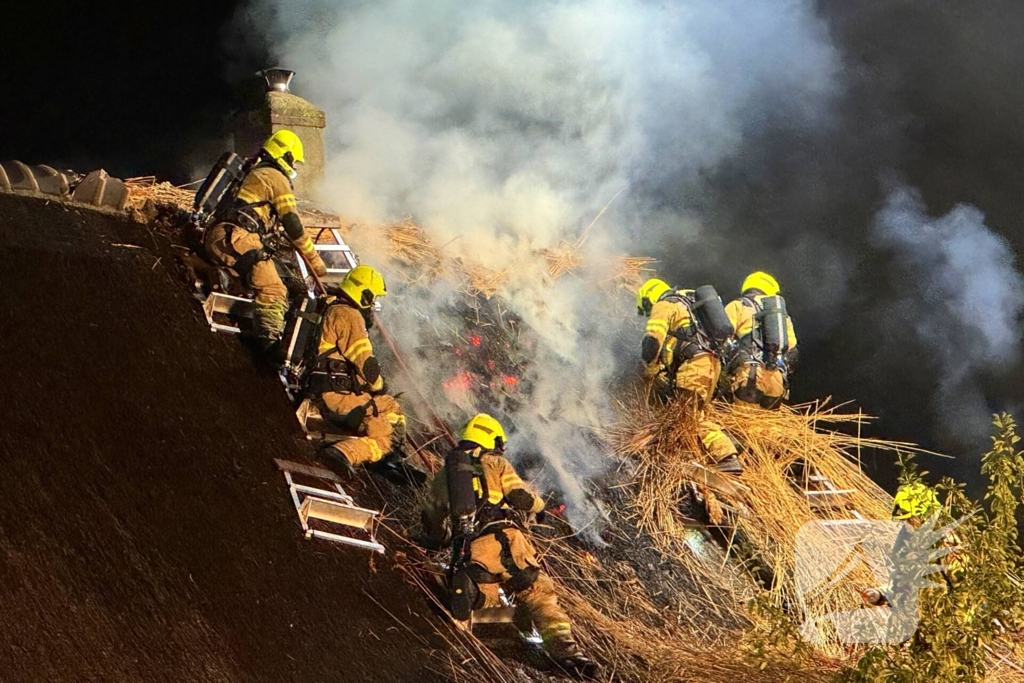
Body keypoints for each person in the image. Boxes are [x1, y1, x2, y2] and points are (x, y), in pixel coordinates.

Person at [422, 414, 597, 678]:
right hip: (506, 541)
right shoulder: (496, 463)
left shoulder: (445, 474)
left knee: (489, 604)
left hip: (474, 551)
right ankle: (567, 652)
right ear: (491, 440)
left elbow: (432, 519)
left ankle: (493, 616)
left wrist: (437, 541)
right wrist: (540, 506)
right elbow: (520, 496)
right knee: (538, 592)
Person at [203, 129, 327, 348]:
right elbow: (293, 225)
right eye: (295, 162)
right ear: (287, 156)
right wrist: (316, 262)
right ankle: (266, 347)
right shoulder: (275, 177)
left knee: (282, 277)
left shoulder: (254, 170)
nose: (295, 168)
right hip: (236, 238)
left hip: (222, 235)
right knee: (274, 289)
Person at [306, 265, 406, 472]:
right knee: (385, 432)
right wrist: (379, 386)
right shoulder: (349, 316)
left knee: (391, 407)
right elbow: (366, 365)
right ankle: (346, 453)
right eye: (373, 299)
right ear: (365, 294)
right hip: (336, 398)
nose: (373, 305)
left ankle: (392, 455)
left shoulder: (330, 305)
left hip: (322, 389)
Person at [637, 278, 742, 474]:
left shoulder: (664, 304)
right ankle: (728, 439)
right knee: (697, 411)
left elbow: (652, 342)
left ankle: (726, 456)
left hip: (693, 367)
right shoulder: (690, 304)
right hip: (712, 365)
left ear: (649, 298)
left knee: (689, 419)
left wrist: (649, 370)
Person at [723, 271, 798, 410]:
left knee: (744, 428)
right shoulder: (782, 317)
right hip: (776, 380)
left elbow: (721, 337)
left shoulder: (738, 305)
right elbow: (793, 353)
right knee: (768, 429)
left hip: (751, 376)